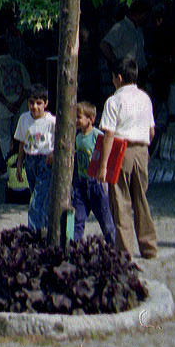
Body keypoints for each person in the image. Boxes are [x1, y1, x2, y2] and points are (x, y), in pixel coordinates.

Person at [97, 57, 157, 259]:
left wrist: (103, 165)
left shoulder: (114, 101)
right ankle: (149, 246)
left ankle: (125, 250)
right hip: (141, 150)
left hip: (121, 150)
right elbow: (151, 131)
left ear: (119, 78)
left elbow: (108, 135)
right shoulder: (145, 98)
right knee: (141, 199)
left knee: (120, 200)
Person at [71, 100, 116, 244]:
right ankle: (74, 247)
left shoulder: (98, 135)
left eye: (79, 117)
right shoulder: (77, 137)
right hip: (82, 182)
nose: (76, 120)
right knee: (78, 218)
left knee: (105, 219)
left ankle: (113, 246)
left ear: (91, 119)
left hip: (96, 183)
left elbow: (108, 153)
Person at [14, 87, 55, 233]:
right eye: (31, 103)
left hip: (45, 161)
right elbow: (22, 142)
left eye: (39, 103)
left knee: (37, 200)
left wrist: (53, 154)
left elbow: (59, 141)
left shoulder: (51, 121)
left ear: (46, 103)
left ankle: (34, 232)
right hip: (30, 160)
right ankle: (44, 228)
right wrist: (19, 163)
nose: (35, 107)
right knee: (36, 196)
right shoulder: (24, 118)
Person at [0, 44, 30, 162]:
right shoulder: (19, 64)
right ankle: (23, 163)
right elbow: (27, 87)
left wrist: (8, 104)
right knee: (21, 135)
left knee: (4, 136)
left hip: (3, 106)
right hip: (20, 104)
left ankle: (9, 166)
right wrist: (18, 102)